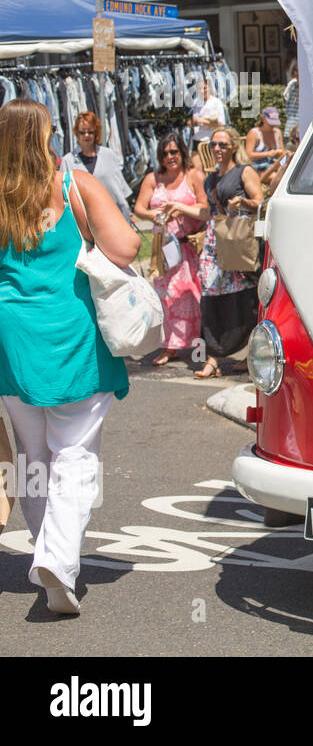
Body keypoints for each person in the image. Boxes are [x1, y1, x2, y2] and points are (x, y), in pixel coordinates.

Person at [0, 98, 140, 616]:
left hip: (10, 340)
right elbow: (125, 246)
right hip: (71, 337)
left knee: (33, 457)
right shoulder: (72, 184)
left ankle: (49, 556)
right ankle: (57, 560)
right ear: (44, 136)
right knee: (75, 451)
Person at [194, 127, 263, 379]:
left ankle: (250, 353)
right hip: (214, 243)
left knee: (245, 299)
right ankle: (212, 358)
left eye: (222, 145)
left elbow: (260, 202)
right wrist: (180, 207)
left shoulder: (243, 172)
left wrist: (243, 202)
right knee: (210, 298)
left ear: (234, 146)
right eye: (213, 145)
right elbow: (208, 212)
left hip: (236, 241)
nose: (217, 149)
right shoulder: (209, 180)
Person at [133, 134, 207, 367]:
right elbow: (139, 208)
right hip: (163, 247)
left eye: (174, 152)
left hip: (187, 246)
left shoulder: (193, 176)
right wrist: (153, 214)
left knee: (191, 295)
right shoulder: (154, 179)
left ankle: (198, 344)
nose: (170, 157)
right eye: (165, 153)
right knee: (166, 297)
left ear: (182, 153)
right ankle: (170, 346)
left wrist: (181, 208)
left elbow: (205, 207)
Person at [60, 112, 133, 223]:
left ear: (96, 133)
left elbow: (120, 188)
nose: (86, 135)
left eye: (90, 132)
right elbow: (63, 195)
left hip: (112, 219)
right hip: (82, 222)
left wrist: (127, 212)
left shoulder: (109, 155)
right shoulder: (68, 161)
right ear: (76, 133)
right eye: (82, 132)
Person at [244, 106, 286, 173]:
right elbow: (248, 155)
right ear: (263, 119)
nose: (273, 124)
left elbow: (282, 153)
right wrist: (267, 154)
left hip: (274, 166)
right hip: (257, 167)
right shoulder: (254, 133)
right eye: (271, 122)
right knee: (276, 178)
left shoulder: (278, 132)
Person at [189, 79, 227, 152]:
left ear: (210, 88)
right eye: (199, 89)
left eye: (204, 88)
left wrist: (202, 121)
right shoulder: (195, 102)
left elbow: (221, 125)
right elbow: (192, 122)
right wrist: (192, 122)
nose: (202, 91)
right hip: (196, 140)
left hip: (210, 141)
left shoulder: (217, 103)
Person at [283, 63, 300, 145]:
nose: (297, 73)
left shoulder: (306, 86)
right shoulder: (292, 85)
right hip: (289, 124)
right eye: (295, 71)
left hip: (299, 126)